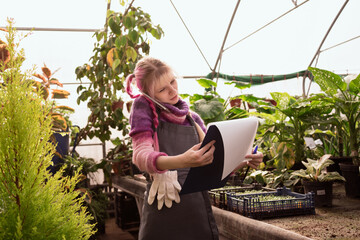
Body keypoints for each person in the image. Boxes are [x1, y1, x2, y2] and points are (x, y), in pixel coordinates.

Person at [125, 57, 263, 240]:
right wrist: (182, 161)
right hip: (162, 208)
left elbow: (214, 168)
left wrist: (243, 160)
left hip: (196, 211)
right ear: (149, 95)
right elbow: (141, 155)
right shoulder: (144, 109)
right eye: (162, 89)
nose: (172, 90)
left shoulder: (193, 119)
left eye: (172, 81)